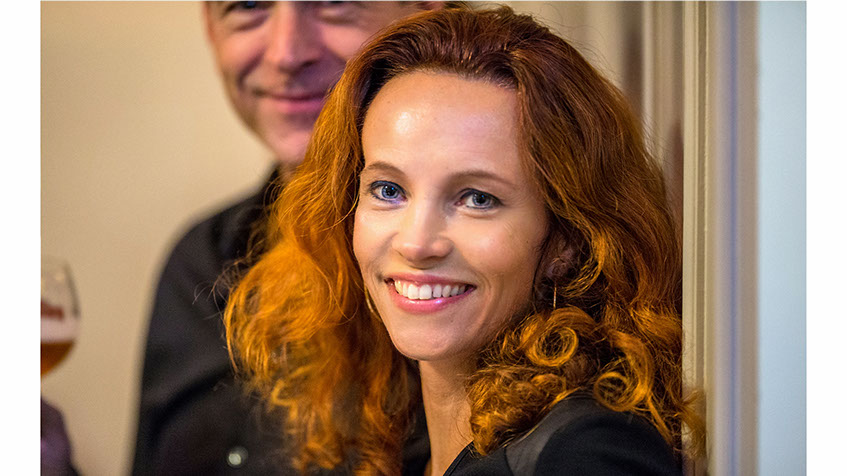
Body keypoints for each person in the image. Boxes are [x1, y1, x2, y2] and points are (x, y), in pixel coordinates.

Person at [225, 6, 704, 476]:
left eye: (477, 198)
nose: (416, 244)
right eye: (388, 190)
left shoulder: (581, 454)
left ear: (567, 239)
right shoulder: (401, 442)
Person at [132, 2, 446, 474]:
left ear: (425, 9)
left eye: (333, 2)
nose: (286, 54)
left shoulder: (472, 276)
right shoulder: (200, 259)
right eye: (249, 5)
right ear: (211, 29)